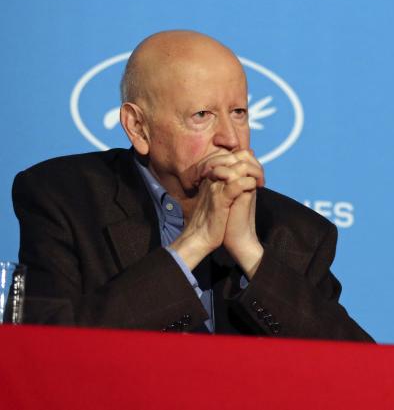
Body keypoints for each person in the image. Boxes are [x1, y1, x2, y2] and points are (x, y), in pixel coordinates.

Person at [13, 31, 372, 340]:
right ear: (138, 127)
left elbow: (359, 369)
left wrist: (250, 253)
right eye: (202, 116)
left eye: (239, 113)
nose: (231, 139)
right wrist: (195, 243)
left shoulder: (294, 230)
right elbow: (48, 347)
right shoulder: (64, 197)